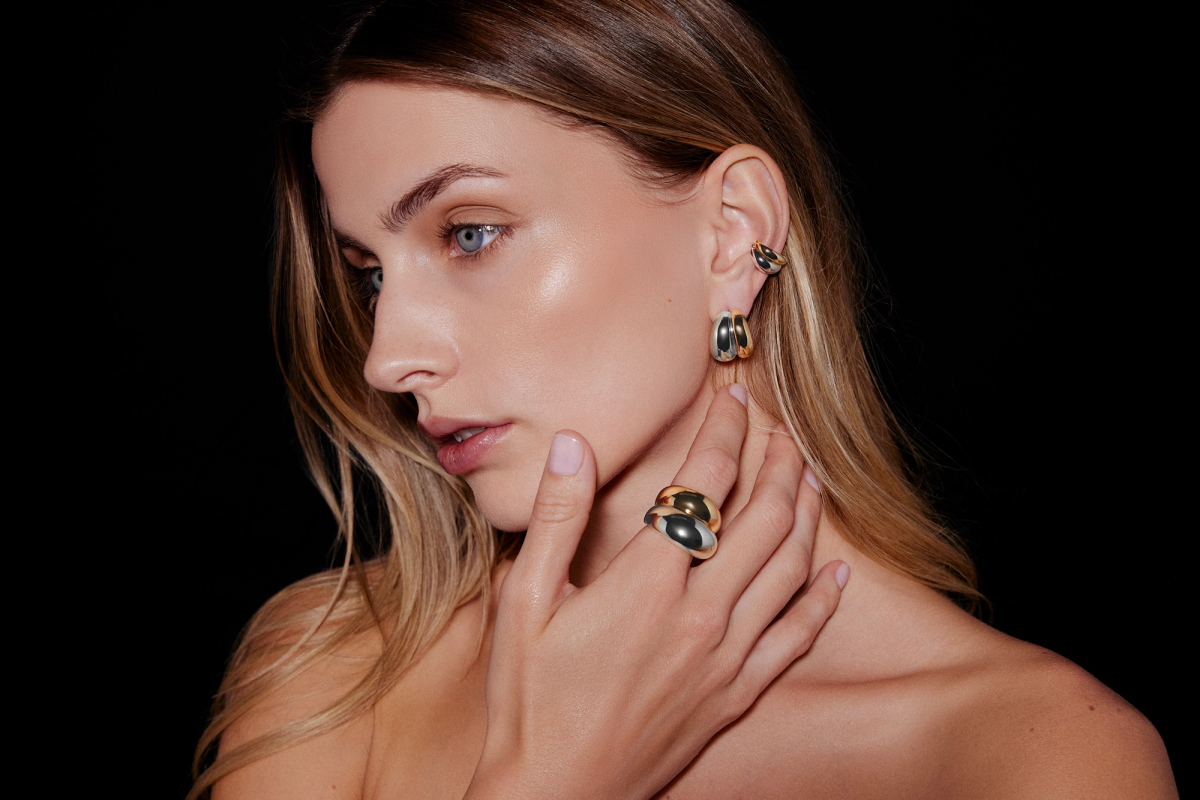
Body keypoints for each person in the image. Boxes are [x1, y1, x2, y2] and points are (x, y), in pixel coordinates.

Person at [190, 1, 1176, 797]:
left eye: (470, 233)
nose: (386, 357)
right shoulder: (336, 664)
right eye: (370, 273)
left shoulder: (1031, 755)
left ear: (730, 234)